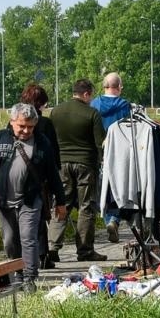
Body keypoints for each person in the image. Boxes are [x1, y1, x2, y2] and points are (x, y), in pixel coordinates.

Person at [0, 103, 67, 288]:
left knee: (28, 237)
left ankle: (30, 276)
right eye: (21, 126)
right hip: (3, 199)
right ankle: (17, 272)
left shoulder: (42, 142)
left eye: (30, 127)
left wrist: (61, 202)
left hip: (31, 199)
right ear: (12, 121)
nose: (26, 131)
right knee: (9, 240)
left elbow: (53, 174)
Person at [48, 78, 106, 263]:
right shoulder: (92, 114)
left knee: (61, 204)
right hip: (86, 165)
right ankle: (85, 250)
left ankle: (52, 247)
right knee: (86, 207)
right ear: (87, 93)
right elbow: (100, 143)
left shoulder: (56, 112)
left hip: (61, 164)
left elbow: (50, 138)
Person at [18, 83, 58, 265]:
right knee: (40, 216)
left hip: (18, 177)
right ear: (40, 103)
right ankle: (42, 254)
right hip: (40, 177)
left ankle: (24, 255)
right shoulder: (46, 123)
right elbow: (54, 152)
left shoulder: (15, 121)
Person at [91, 73, 132, 243]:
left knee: (104, 188)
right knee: (119, 188)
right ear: (119, 87)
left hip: (100, 152)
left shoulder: (94, 104)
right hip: (120, 153)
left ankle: (108, 219)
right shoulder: (125, 105)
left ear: (104, 86)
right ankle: (115, 219)